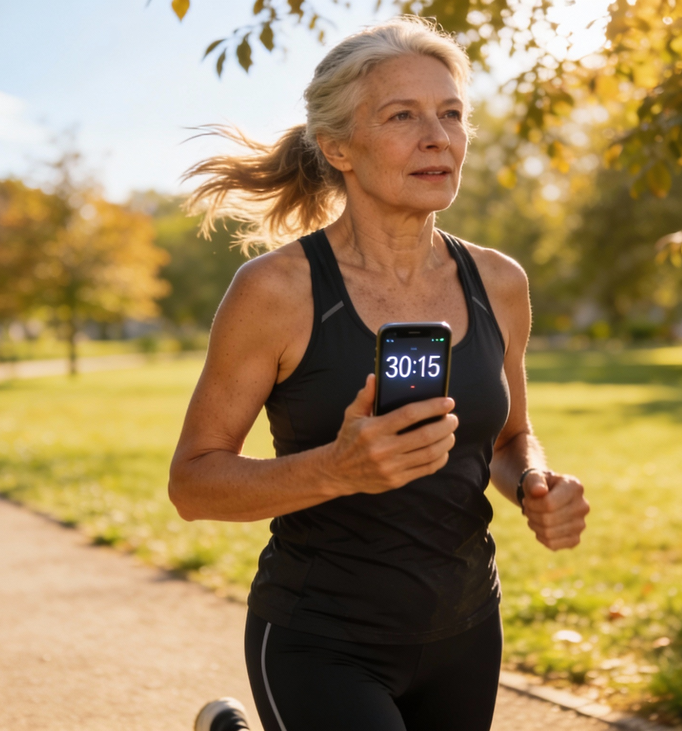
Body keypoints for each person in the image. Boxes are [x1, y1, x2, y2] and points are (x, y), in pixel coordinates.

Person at [170, 16, 591, 731]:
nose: (440, 137)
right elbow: (193, 483)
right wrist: (338, 468)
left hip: (464, 627)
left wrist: (534, 484)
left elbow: (510, 435)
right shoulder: (275, 291)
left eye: (452, 114)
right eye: (404, 116)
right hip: (320, 637)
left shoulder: (501, 281)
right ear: (339, 147)